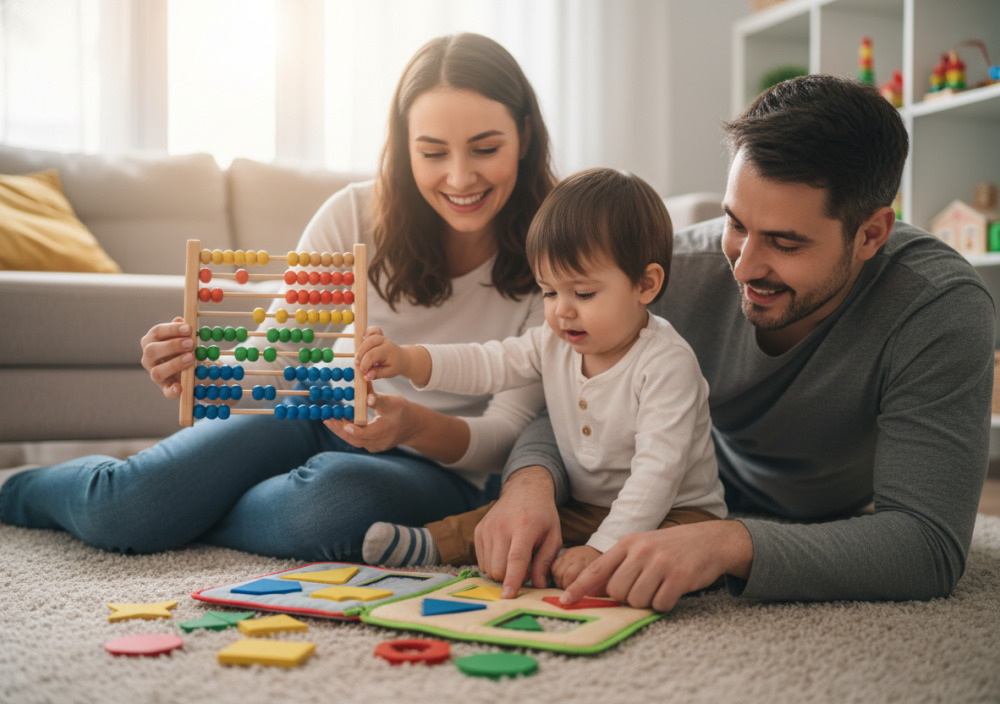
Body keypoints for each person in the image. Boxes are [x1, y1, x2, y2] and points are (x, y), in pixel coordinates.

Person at [0, 33, 558, 561]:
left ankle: (173, 513)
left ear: (525, 135)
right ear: (404, 146)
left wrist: (411, 425)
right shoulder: (355, 214)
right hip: (314, 412)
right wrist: (204, 369)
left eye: (485, 148)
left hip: (441, 467)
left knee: (326, 507)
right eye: (433, 153)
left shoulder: (557, 251)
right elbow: (283, 351)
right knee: (126, 506)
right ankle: (19, 489)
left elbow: (506, 436)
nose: (460, 178)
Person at [476, 74, 996, 608]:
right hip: (686, 485)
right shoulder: (670, 275)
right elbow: (569, 392)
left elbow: (927, 545)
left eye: (785, 243)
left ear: (871, 234)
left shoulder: (939, 308)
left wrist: (731, 543)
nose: (744, 267)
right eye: (736, 223)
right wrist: (530, 481)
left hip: (809, 512)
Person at [354, 168, 726, 586]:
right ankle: (433, 544)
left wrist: (602, 549)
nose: (562, 310)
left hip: (678, 512)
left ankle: (590, 555)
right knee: (510, 518)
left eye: (583, 293)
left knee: (650, 563)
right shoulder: (554, 342)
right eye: (549, 292)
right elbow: (487, 363)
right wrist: (408, 360)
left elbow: (657, 474)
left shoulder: (666, 363)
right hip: (588, 506)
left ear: (646, 284)